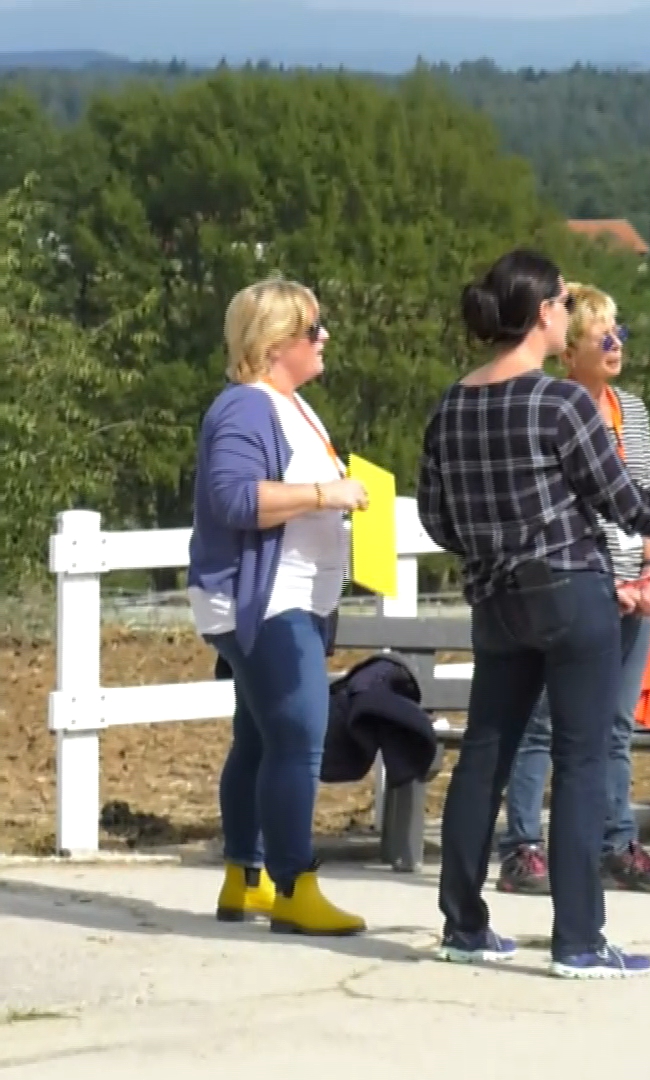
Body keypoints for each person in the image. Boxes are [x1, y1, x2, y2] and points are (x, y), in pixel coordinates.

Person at [419, 249, 650, 980]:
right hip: (571, 597)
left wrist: (492, 545)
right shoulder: (561, 404)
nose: (571, 314)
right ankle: (578, 939)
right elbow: (630, 506)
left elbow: (439, 521)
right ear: (542, 315)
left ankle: (463, 925)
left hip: (495, 603)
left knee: (485, 756)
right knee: (581, 760)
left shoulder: (450, 405)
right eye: (565, 302)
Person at [189, 277, 370, 936]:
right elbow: (234, 500)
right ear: (274, 344)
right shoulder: (246, 409)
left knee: (258, 738)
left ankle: (246, 877)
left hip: (285, 598)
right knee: (299, 740)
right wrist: (328, 495)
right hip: (267, 602)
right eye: (312, 329)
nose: (325, 338)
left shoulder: (288, 405)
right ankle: (295, 886)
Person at [494, 284, 650, 898]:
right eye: (603, 334)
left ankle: (616, 843)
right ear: (568, 349)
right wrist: (611, 581)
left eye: (619, 331)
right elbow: (570, 508)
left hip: (635, 590)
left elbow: (649, 498)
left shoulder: (633, 411)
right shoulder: (557, 411)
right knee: (545, 724)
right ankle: (523, 846)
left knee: (617, 724)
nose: (616, 344)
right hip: (582, 584)